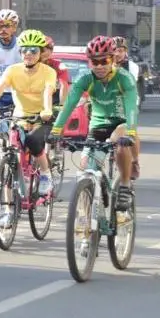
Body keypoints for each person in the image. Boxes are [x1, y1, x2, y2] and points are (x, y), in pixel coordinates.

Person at [50, 35, 139, 208]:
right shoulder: (85, 79)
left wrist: (131, 132)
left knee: (119, 144)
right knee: (85, 169)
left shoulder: (124, 78)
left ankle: (125, 186)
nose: (99, 66)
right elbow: (68, 105)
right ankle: (85, 216)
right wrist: (56, 130)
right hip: (98, 124)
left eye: (104, 61)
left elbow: (131, 109)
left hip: (121, 122)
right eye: (94, 62)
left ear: (113, 59)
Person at [0, 29, 58, 197]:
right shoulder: (13, 70)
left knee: (33, 141)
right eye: (24, 50)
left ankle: (45, 174)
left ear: (41, 52)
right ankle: (7, 210)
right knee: (10, 153)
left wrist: (47, 109)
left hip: (41, 117)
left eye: (34, 50)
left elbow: (47, 92)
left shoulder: (49, 72)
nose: (28, 53)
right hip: (19, 116)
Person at [40, 35, 70, 105]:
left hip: (53, 100)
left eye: (50, 49)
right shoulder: (27, 65)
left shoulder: (59, 65)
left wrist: (62, 105)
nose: (46, 52)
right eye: (42, 50)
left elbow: (64, 85)